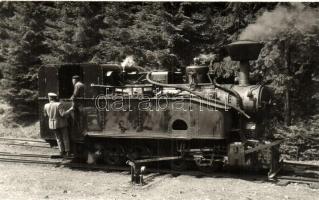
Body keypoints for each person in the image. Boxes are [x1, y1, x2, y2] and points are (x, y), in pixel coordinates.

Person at [44, 93, 74, 157]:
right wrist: (70, 110)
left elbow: (45, 115)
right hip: (61, 124)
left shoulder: (46, 105)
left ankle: (61, 152)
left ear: (50, 98)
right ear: (55, 98)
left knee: (58, 138)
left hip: (52, 124)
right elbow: (63, 114)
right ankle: (67, 151)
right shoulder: (59, 104)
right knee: (65, 137)